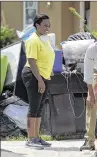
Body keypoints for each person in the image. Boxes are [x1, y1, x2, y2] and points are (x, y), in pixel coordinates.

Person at [21, 14, 55, 149]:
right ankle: (30, 138)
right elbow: (32, 61)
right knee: (33, 107)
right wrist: (40, 80)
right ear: (37, 25)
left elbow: (45, 57)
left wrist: (48, 71)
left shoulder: (44, 39)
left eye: (49, 25)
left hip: (44, 76)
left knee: (39, 108)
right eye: (45, 25)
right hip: (33, 75)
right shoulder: (33, 40)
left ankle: (36, 137)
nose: (48, 28)